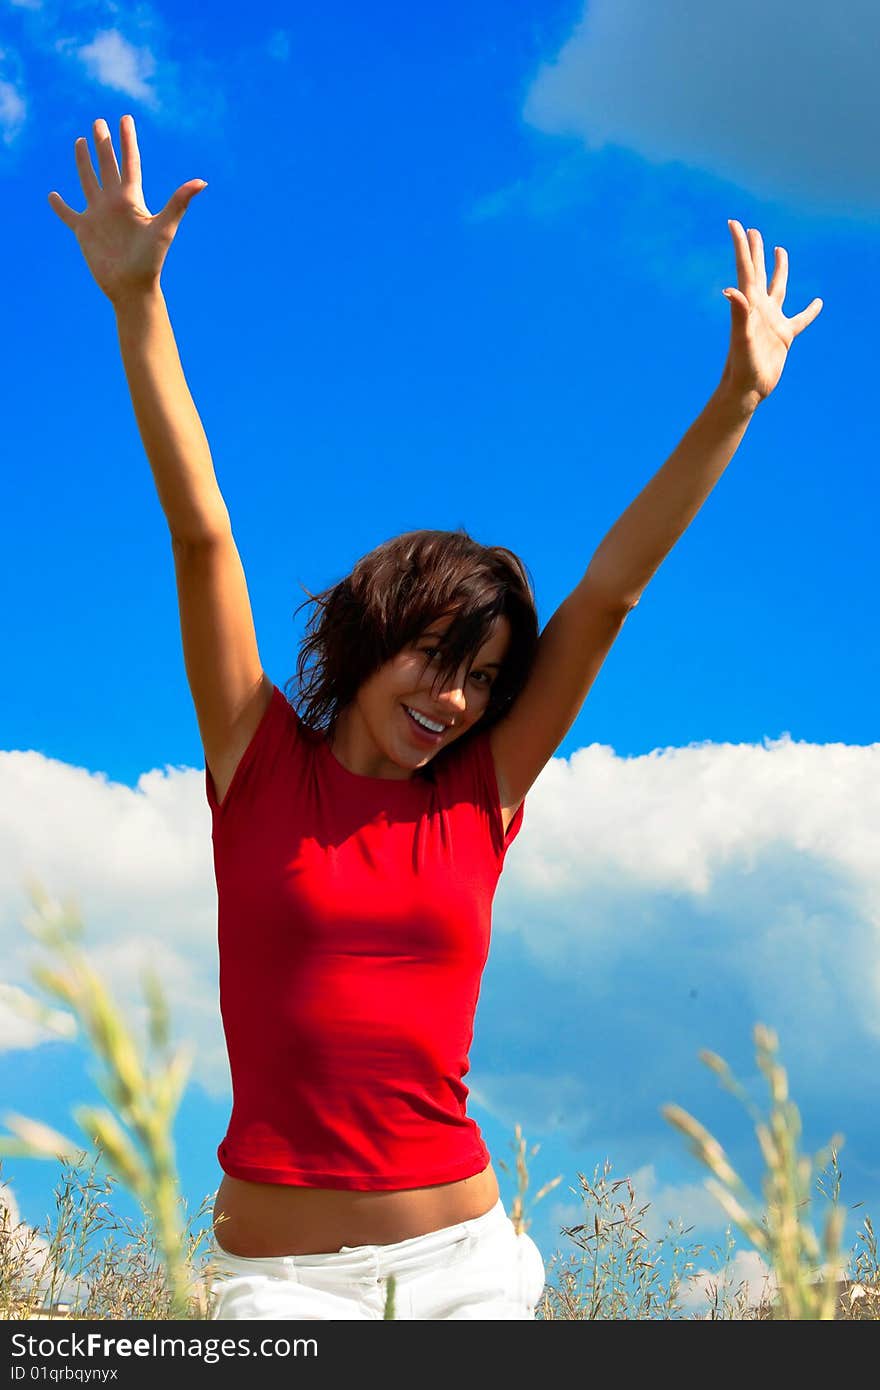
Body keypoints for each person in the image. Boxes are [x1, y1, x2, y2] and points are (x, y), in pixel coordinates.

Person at [48, 115, 823, 1321]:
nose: (452, 698)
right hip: (274, 1285)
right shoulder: (256, 763)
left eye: (482, 678)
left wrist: (736, 399)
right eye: (434, 657)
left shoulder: (481, 792)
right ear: (370, 638)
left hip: (464, 1268)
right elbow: (202, 531)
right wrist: (137, 305)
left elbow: (609, 593)